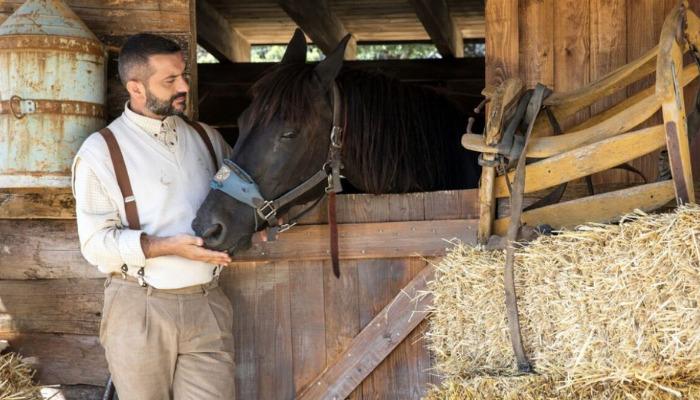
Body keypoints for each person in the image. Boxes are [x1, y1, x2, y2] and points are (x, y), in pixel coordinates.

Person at [71, 33, 235, 399]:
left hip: (208, 303)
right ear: (136, 88)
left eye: (183, 76)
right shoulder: (100, 152)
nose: (184, 87)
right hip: (140, 308)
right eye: (169, 81)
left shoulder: (208, 139)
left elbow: (241, 200)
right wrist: (168, 247)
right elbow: (96, 245)